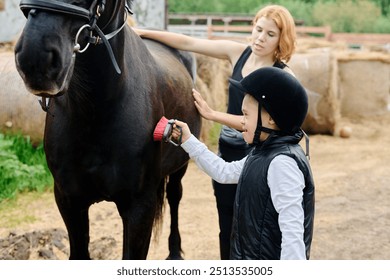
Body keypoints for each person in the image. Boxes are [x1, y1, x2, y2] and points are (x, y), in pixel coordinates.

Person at [134, 4, 297, 259]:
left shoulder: (284, 77)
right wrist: (141, 33)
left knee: (257, 224)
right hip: (229, 148)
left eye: (270, 34)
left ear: (281, 40)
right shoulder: (238, 53)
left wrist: (212, 115)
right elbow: (187, 42)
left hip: (261, 154)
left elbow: (266, 123)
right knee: (227, 222)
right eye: (258, 29)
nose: (260, 38)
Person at [170, 67, 315, 260]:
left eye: (246, 115)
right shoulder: (263, 153)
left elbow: (292, 234)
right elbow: (224, 172)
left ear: (271, 119)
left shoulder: (282, 163)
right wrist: (187, 140)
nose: (242, 122)